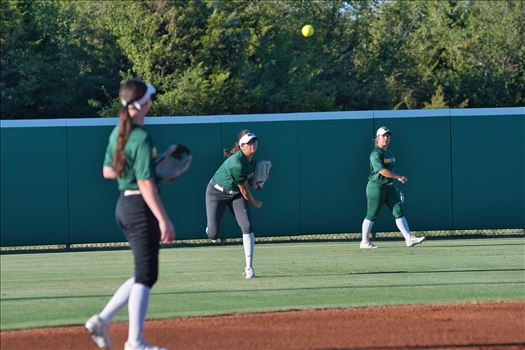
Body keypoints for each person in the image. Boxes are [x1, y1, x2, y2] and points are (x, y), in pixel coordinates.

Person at [85, 79, 174, 350]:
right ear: (143, 104)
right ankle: (135, 342)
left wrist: (136, 173)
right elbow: (146, 184)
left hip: (123, 207)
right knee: (146, 276)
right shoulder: (141, 137)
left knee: (142, 274)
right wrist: (163, 219)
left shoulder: (118, 133)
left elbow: (108, 172)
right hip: (138, 208)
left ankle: (101, 321)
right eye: (150, 99)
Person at [205, 130, 262, 279]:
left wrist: (256, 183)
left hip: (235, 194)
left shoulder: (253, 160)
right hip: (216, 193)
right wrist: (255, 203)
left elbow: (248, 182)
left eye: (254, 142)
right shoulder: (236, 163)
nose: (253, 145)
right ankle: (210, 230)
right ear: (242, 146)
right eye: (250, 143)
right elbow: (244, 191)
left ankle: (249, 268)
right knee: (214, 235)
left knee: (247, 226)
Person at [360, 126, 426, 249]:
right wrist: (398, 177)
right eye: (383, 135)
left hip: (389, 187)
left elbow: (389, 171)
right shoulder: (375, 153)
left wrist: (394, 181)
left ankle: (409, 239)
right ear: (378, 138)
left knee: (399, 211)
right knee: (371, 214)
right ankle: (364, 241)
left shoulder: (389, 153)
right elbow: (382, 171)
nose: (386, 138)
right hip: (376, 187)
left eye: (388, 135)